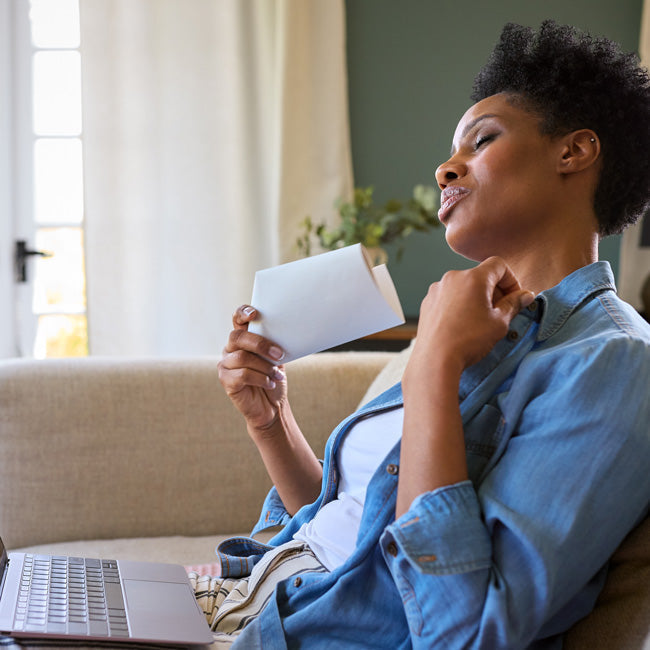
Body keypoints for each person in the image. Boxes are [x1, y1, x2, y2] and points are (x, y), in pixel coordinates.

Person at [203, 20, 650, 649]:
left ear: (572, 152)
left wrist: (434, 362)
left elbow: (460, 633)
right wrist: (271, 421)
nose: (445, 168)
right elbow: (358, 538)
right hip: (249, 601)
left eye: (481, 141)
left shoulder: (613, 362)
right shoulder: (475, 323)